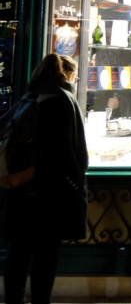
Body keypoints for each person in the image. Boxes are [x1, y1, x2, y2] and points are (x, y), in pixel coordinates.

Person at [3, 53, 88, 304]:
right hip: (48, 192)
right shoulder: (61, 101)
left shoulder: (28, 97)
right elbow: (63, 151)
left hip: (18, 188)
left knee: (17, 254)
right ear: (68, 75)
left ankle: (13, 301)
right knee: (45, 255)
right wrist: (75, 185)